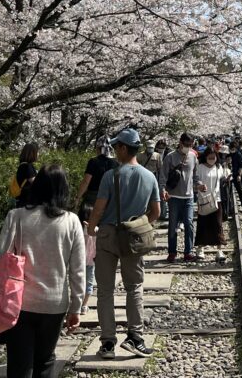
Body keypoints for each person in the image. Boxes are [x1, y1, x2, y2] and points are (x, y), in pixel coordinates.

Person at [0, 164, 85, 378]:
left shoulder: (16, 216)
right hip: (54, 303)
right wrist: (76, 307)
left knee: (19, 364)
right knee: (45, 360)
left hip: (19, 302)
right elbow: (78, 270)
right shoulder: (71, 221)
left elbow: (0, 258)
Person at [87, 128, 160, 360]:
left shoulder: (111, 176)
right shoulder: (149, 177)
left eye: (116, 146)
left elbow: (99, 209)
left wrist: (90, 228)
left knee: (105, 291)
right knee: (134, 287)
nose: (114, 150)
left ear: (123, 148)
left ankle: (108, 343)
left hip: (108, 235)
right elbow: (156, 212)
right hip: (133, 238)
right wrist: (138, 224)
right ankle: (135, 338)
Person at [158, 132, 198, 262]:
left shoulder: (193, 156)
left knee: (189, 223)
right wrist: (162, 189)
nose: (188, 147)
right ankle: (172, 252)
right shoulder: (170, 157)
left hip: (188, 196)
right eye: (186, 144)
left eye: (191, 145)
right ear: (180, 143)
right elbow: (163, 175)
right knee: (173, 225)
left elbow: (195, 176)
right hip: (173, 196)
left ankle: (188, 252)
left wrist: (199, 185)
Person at [194, 148, 226, 263]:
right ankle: (200, 248)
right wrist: (199, 186)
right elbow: (195, 181)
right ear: (205, 157)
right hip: (203, 200)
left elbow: (222, 178)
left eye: (214, 157)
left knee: (218, 224)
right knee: (202, 224)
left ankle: (219, 250)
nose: (212, 159)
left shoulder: (218, 167)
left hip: (216, 199)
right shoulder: (200, 167)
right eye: (210, 157)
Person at [75, 137, 116, 223]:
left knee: (86, 221)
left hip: (92, 197)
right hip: (108, 199)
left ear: (99, 148)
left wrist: (78, 197)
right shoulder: (116, 163)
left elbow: (86, 181)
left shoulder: (93, 161)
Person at [12, 142, 40, 208]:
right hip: (26, 201)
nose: (38, 154)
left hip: (22, 199)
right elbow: (35, 182)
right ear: (32, 153)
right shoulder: (27, 166)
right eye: (37, 152)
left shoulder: (23, 165)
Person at [228, 140, 242, 213]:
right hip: (229, 174)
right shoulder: (229, 154)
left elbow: (241, 166)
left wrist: (239, 175)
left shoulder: (239, 154)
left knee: (240, 191)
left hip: (236, 175)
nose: (232, 150)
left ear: (236, 148)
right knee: (228, 191)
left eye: (233, 149)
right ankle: (229, 207)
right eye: (231, 148)